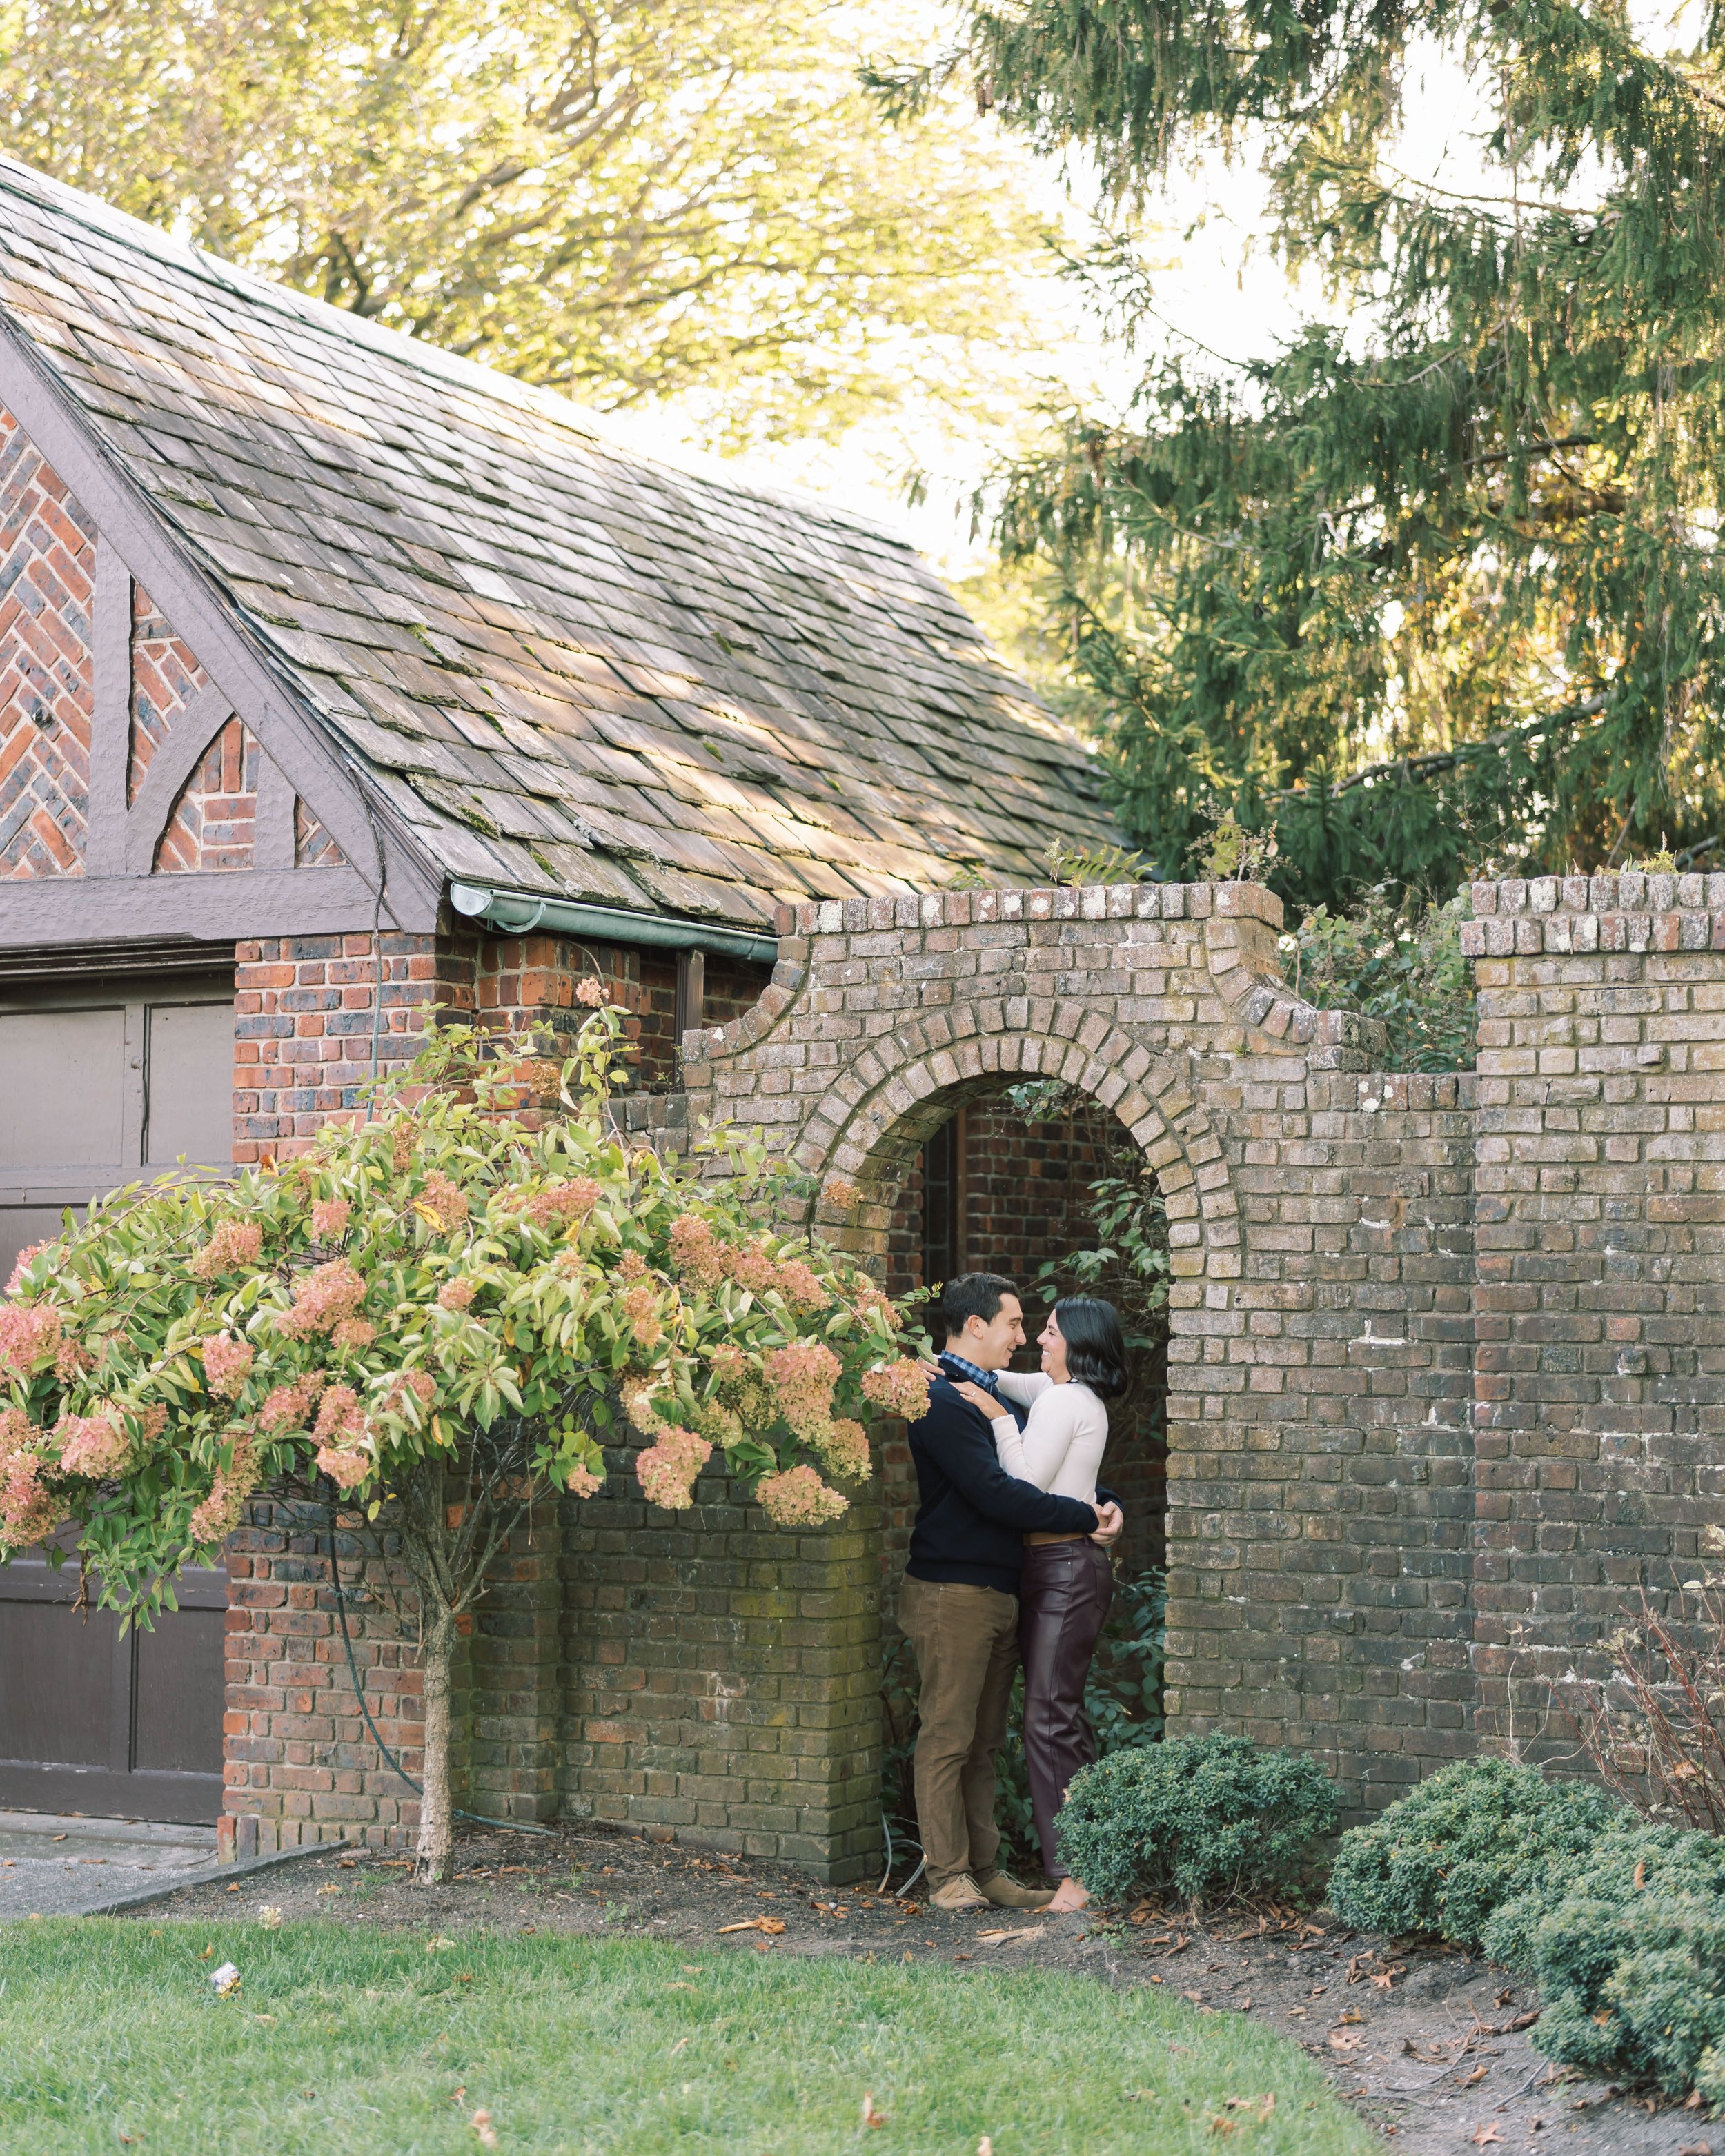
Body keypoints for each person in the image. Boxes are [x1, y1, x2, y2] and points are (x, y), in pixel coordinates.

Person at [899, 1272, 1123, 1914]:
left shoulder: (1007, 1397)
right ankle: (947, 1875)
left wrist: (1107, 1501)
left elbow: (1061, 1466)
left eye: (1035, 1327)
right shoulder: (941, 1401)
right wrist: (1087, 1517)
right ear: (976, 1327)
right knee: (948, 1735)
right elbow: (1001, 1493)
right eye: (1015, 1324)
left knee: (986, 1739)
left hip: (1003, 1588)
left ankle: (986, 1868)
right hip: (953, 1589)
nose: (1024, 1339)